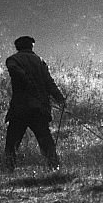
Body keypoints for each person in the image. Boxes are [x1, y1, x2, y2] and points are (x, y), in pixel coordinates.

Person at [4, 36, 66, 171]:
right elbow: (49, 83)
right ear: (31, 46)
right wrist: (60, 99)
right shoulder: (40, 61)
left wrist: (26, 80)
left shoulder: (12, 60)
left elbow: (14, 71)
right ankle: (54, 166)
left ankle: (8, 166)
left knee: (13, 140)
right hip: (39, 108)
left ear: (17, 47)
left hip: (20, 108)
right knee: (45, 139)